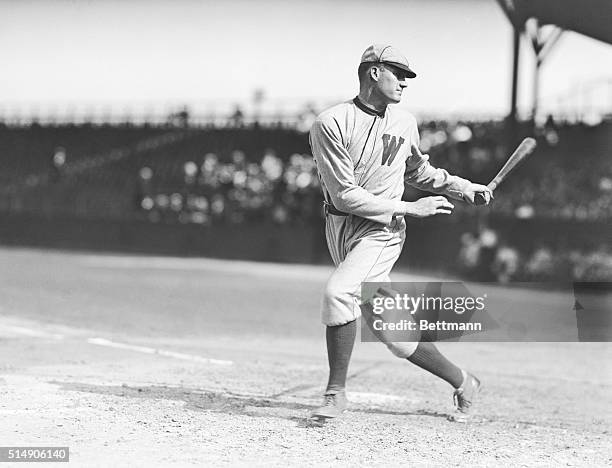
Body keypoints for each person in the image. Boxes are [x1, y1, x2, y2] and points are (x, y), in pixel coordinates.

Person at [308, 44, 493, 421]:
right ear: (374, 73)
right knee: (393, 331)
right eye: (399, 74)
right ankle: (463, 381)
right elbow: (345, 195)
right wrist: (411, 206)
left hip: (382, 230)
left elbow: (418, 172)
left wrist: (463, 186)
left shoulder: (405, 122)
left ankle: (335, 393)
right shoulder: (331, 122)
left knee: (338, 292)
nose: (405, 83)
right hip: (341, 223)